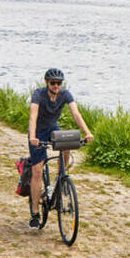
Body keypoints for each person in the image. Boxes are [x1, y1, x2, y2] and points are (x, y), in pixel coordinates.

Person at [27, 68, 93, 229]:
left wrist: (87, 132)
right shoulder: (38, 94)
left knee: (67, 145)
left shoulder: (65, 95)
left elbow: (76, 114)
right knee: (37, 170)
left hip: (52, 128)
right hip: (38, 132)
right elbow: (33, 116)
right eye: (53, 83)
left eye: (59, 83)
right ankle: (35, 214)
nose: (56, 86)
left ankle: (60, 178)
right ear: (46, 82)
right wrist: (33, 137)